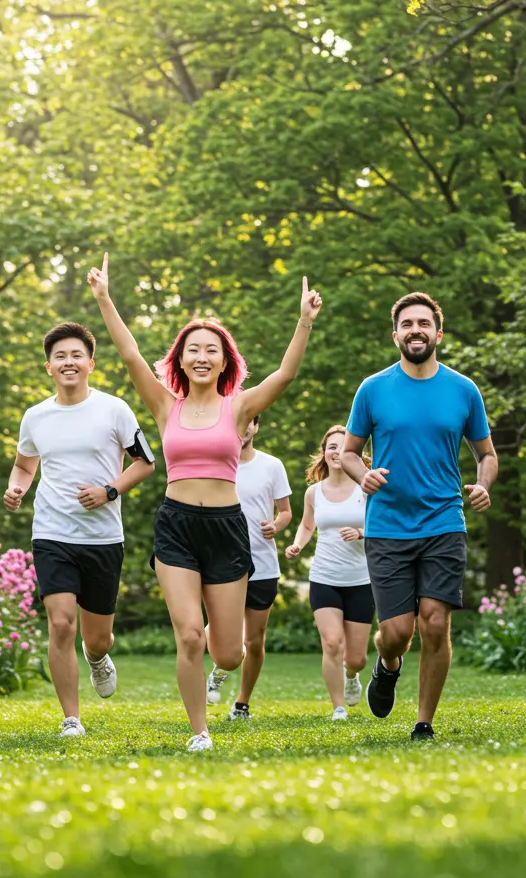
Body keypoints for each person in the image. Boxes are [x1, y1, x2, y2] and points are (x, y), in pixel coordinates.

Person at [88, 253, 321, 752]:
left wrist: (304, 320)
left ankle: (222, 652)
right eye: (192, 349)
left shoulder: (239, 407)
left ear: (224, 360)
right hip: (176, 527)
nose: (201, 356)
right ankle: (200, 732)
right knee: (190, 636)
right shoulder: (163, 405)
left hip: (226, 528)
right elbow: (130, 355)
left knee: (230, 653)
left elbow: (284, 375)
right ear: (180, 358)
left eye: (210, 350)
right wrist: (105, 299)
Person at [341, 292, 497, 740]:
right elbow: (350, 453)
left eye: (423, 323)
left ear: (438, 333)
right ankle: (388, 665)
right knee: (396, 631)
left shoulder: (463, 390)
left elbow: (487, 454)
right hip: (388, 525)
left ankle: (423, 722)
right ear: (396, 335)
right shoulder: (373, 389)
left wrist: (483, 484)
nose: (416, 330)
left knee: (434, 620)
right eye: (407, 324)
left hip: (444, 521)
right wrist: (363, 476)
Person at [4, 321, 156, 738]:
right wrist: (17, 488)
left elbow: (146, 462)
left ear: (90, 363)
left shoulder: (114, 409)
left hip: (103, 537)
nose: (68, 362)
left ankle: (97, 658)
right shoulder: (36, 416)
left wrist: (109, 490)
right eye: (60, 356)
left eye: (75, 356)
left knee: (98, 638)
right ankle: (71, 718)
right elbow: (24, 464)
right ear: (48, 366)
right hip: (52, 532)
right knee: (60, 624)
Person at [206, 413, 292, 719]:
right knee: (221, 630)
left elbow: (285, 511)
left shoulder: (272, 465)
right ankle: (220, 667)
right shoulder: (214, 464)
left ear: (256, 426)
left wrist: (276, 526)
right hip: (222, 564)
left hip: (263, 563)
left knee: (254, 640)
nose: (243, 429)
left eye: (249, 423)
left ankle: (242, 702)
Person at [286, 424, 374, 721]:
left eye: (343, 446)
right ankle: (338, 706)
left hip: (362, 579)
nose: (337, 451)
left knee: (357, 658)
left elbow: (386, 526)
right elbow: (307, 524)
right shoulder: (314, 492)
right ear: (324, 454)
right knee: (332, 643)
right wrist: (298, 544)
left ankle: (352, 675)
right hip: (324, 577)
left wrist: (362, 532)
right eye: (331, 446)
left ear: (356, 452)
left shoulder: (367, 489)